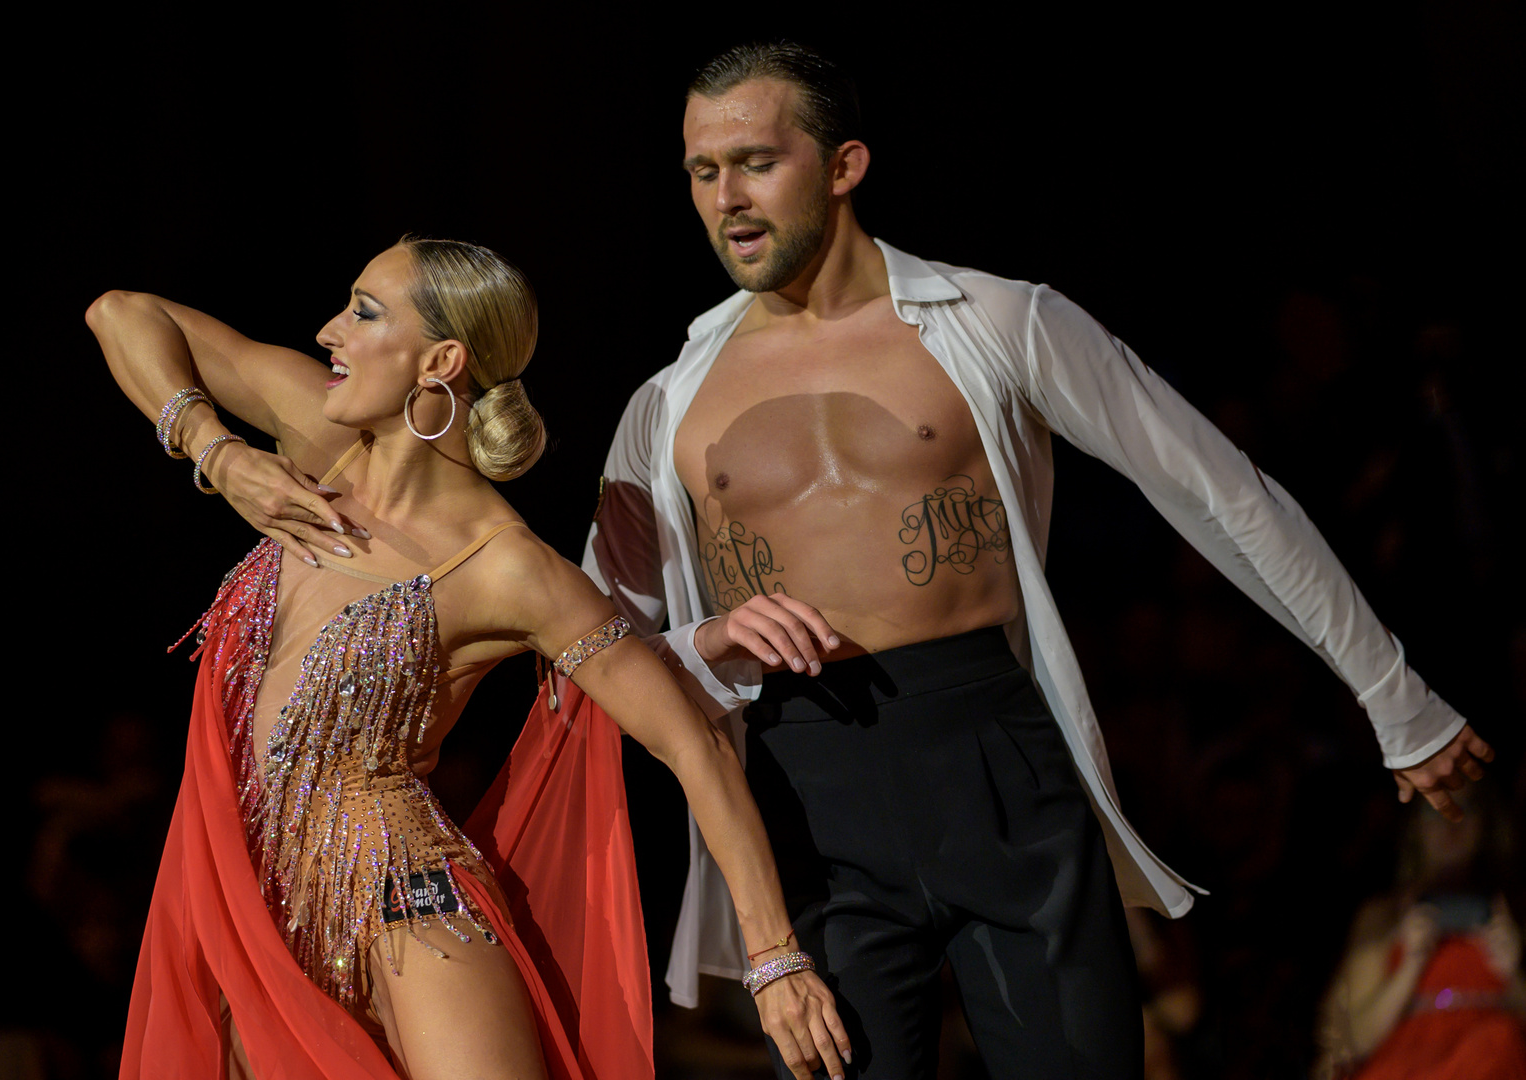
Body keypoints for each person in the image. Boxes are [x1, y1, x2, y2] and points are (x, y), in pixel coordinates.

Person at [565, 41, 1498, 1079]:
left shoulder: (1000, 321)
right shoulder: (668, 402)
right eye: (702, 170)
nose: (725, 197)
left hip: (994, 761)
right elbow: (591, 643)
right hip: (805, 798)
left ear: (844, 166)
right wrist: (711, 635)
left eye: (754, 161)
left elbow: (1220, 494)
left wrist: (1392, 693)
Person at [84, 236, 849, 1080]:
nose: (329, 330)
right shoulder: (312, 439)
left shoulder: (505, 566)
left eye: (364, 312)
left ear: (439, 360)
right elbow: (120, 313)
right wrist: (216, 452)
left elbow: (691, 747)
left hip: (401, 904)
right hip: (250, 907)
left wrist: (775, 962)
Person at [1313, 788, 1525, 1079]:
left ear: (1485, 822)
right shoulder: (1384, 915)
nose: (1450, 821)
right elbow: (1356, 1039)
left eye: (1465, 808)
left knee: (1496, 1043)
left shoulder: (1513, 909)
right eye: (1433, 809)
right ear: (1415, 827)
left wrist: (1514, 975)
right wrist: (1411, 964)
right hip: (1407, 1063)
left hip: (1495, 1058)